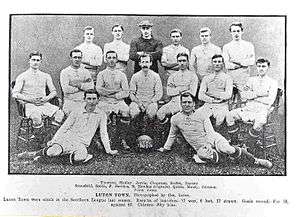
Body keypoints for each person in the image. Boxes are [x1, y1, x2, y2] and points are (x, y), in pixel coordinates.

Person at [157, 92, 272, 168]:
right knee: (205, 155)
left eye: (189, 102)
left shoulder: (201, 114)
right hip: (200, 147)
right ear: (180, 104)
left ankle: (256, 161)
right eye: (184, 102)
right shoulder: (175, 119)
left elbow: (210, 132)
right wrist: (166, 148)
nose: (186, 104)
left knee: (228, 149)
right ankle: (232, 157)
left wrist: (209, 144)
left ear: (193, 104)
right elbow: (172, 135)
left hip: (212, 139)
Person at [17, 89, 118, 165]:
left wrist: (108, 150)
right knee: (52, 152)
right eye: (89, 98)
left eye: (94, 99)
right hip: (68, 139)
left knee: (80, 157)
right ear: (84, 99)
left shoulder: (101, 114)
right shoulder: (77, 111)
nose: (91, 101)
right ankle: (33, 154)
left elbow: (104, 133)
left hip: (82, 143)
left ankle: (42, 159)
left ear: (98, 100)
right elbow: (64, 127)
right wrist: (54, 140)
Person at [12, 51, 64, 142]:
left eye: (38, 60)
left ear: (41, 62)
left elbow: (54, 92)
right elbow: (15, 93)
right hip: (29, 105)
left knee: (60, 114)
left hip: (43, 103)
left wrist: (46, 98)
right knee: (36, 117)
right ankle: (39, 141)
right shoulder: (23, 76)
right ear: (29, 61)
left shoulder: (46, 76)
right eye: (33, 60)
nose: (35, 62)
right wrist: (30, 99)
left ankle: (47, 137)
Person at [226, 58, 278, 143]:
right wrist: (261, 94)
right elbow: (244, 95)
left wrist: (252, 95)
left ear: (268, 67)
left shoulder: (273, 82)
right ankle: (235, 142)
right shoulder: (251, 80)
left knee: (260, 121)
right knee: (230, 115)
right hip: (249, 108)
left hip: (262, 110)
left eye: (263, 66)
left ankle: (250, 144)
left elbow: (269, 100)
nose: (261, 68)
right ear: (257, 67)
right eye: (259, 66)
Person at [96, 50, 130, 149]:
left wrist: (114, 95)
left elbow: (126, 92)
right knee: (101, 112)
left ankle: (122, 138)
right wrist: (115, 91)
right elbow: (99, 89)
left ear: (117, 60)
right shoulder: (101, 74)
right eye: (109, 58)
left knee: (126, 111)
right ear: (106, 60)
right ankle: (103, 139)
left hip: (118, 101)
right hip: (104, 101)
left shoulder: (121, 74)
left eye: (113, 58)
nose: (111, 60)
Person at [157, 52, 198, 123]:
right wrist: (183, 88)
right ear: (177, 62)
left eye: (184, 61)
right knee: (160, 113)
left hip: (187, 102)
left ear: (188, 62)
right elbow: (169, 92)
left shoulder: (193, 76)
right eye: (180, 61)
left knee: (179, 115)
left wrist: (176, 89)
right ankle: (167, 128)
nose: (182, 63)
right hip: (174, 102)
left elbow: (192, 93)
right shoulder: (172, 76)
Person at [198, 54, 233, 130]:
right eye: (215, 62)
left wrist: (211, 93)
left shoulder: (228, 78)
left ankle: (217, 136)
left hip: (221, 105)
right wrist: (212, 100)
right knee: (196, 116)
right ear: (212, 63)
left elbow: (228, 95)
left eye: (219, 62)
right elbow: (200, 95)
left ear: (223, 64)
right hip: (208, 104)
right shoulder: (206, 78)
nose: (217, 64)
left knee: (220, 119)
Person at [60, 49, 94, 116]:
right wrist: (82, 87)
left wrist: (78, 85)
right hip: (71, 101)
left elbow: (91, 87)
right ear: (71, 58)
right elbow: (66, 89)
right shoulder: (65, 72)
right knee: (76, 115)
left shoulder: (85, 72)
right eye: (75, 57)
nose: (77, 59)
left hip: (84, 101)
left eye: (79, 57)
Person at [222, 22, 255, 90]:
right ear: (230, 32)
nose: (236, 33)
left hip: (244, 78)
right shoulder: (226, 47)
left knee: (244, 98)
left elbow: (251, 61)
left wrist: (237, 62)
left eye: (238, 31)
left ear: (242, 31)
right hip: (231, 78)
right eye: (234, 31)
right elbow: (227, 65)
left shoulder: (249, 45)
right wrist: (243, 63)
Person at [129, 54, 163, 120]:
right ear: (139, 63)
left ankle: (150, 129)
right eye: (143, 62)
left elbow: (159, 93)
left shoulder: (156, 76)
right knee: (134, 111)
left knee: (151, 112)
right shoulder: (135, 76)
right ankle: (136, 129)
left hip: (151, 101)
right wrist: (139, 103)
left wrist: (149, 102)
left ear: (150, 63)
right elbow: (131, 93)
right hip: (137, 101)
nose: (145, 64)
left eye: (147, 62)